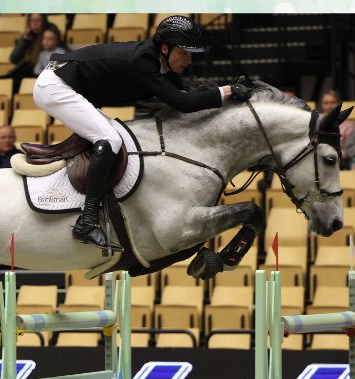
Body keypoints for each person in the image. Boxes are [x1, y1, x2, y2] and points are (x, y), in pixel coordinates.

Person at [33, 15, 246, 250]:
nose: (189, 59)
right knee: (110, 139)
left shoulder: (159, 62)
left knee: (116, 138)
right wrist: (227, 91)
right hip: (55, 86)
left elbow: (186, 93)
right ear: (164, 48)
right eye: (184, 52)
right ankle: (87, 221)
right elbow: (182, 103)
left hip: (69, 85)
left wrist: (228, 93)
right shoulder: (142, 61)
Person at [2, 13, 49, 87]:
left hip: (36, 75)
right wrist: (25, 39)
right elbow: (13, 59)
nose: (34, 24)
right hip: (22, 74)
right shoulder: (27, 38)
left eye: (38, 21)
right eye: (32, 21)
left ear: (43, 22)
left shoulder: (47, 38)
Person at [320, 90, 355, 161]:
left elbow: (349, 148)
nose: (329, 106)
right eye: (326, 103)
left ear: (339, 104)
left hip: (339, 160)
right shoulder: (316, 122)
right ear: (322, 105)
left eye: (333, 102)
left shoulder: (349, 125)